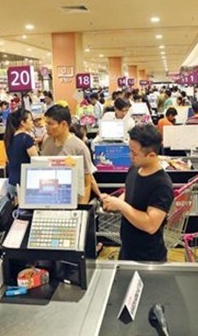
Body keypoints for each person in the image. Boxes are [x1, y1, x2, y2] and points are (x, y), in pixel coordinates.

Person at [100, 124, 174, 262]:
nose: (130, 156)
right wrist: (114, 202)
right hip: (127, 249)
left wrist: (121, 206)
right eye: (130, 150)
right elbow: (129, 192)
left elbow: (151, 225)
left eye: (134, 153)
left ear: (151, 155)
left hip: (148, 257)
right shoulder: (135, 169)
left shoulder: (162, 185)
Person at [40, 105, 94, 204]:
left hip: (72, 201)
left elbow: (87, 182)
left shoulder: (79, 148)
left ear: (64, 124)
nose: (46, 127)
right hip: (49, 199)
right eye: (46, 123)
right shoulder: (47, 141)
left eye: (50, 123)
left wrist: (82, 207)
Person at [4, 109, 38, 200]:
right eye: (30, 120)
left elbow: (8, 160)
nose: (32, 123)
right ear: (23, 122)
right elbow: (37, 161)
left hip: (12, 183)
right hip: (25, 183)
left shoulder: (9, 139)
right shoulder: (26, 139)